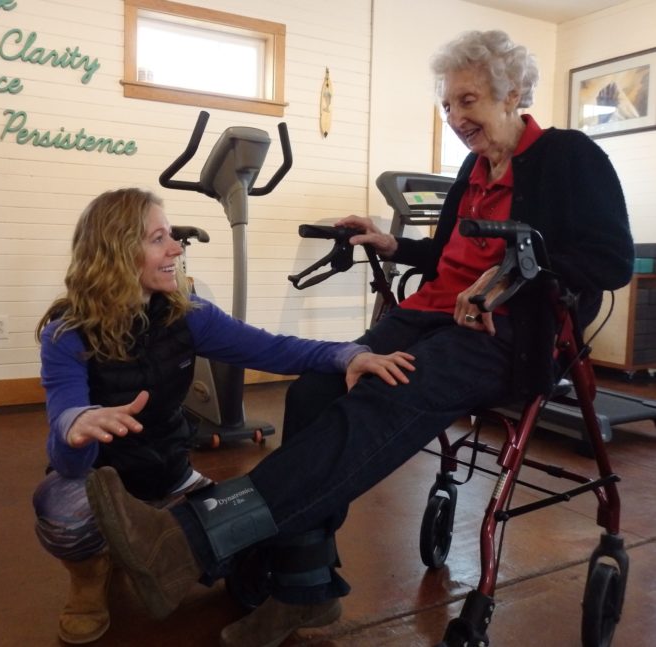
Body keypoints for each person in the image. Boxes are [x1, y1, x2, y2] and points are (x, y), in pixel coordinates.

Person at [83, 30, 635, 647]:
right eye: (448, 105)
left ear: (511, 94)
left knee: (378, 401)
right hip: (426, 314)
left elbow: (610, 262)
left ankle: (186, 541)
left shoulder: (570, 157)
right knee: (316, 389)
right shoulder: (475, 167)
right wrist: (395, 244)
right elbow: (451, 253)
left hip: (503, 332)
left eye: (468, 101)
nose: (455, 118)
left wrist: (507, 280)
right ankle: (304, 590)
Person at [32, 187, 416, 644]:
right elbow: (68, 448)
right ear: (116, 252)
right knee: (59, 508)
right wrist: (76, 430)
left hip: (169, 475)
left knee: (250, 530)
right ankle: (90, 581)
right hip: (98, 481)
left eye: (171, 236)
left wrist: (349, 355)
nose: (176, 247)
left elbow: (274, 347)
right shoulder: (67, 335)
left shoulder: (187, 314)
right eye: (158, 239)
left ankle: (172, 545)